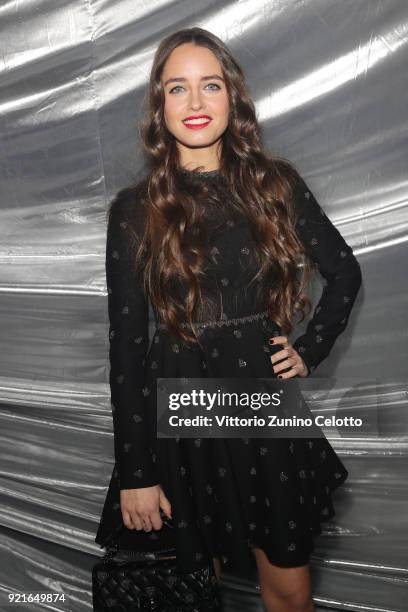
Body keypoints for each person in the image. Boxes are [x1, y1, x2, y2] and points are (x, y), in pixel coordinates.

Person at [94, 27, 362, 612]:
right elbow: (126, 351)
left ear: (232, 98)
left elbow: (344, 272)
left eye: (209, 86)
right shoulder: (134, 211)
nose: (194, 104)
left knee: (288, 592)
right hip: (178, 418)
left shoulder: (275, 186)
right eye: (177, 89)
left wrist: (309, 350)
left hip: (261, 410)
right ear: (158, 106)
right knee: (192, 592)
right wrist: (137, 472)